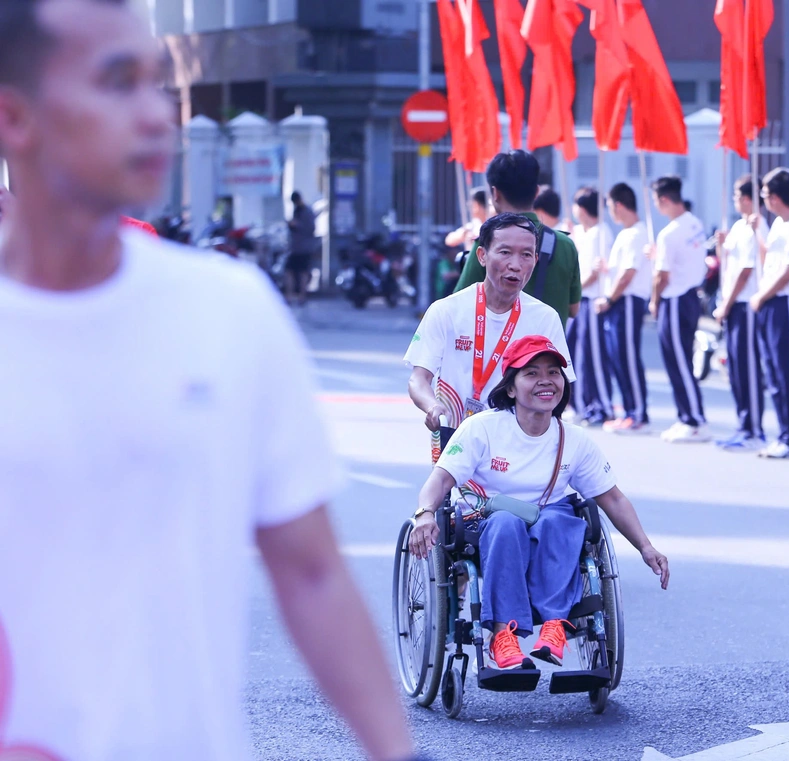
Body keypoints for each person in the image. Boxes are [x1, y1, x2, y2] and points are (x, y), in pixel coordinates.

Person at [0, 2, 420, 760]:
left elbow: (314, 571)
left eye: (159, 85)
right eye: (117, 82)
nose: (157, 115)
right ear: (15, 117)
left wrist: (399, 751)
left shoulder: (230, 309)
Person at [408, 335, 669, 669]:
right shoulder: (481, 429)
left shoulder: (573, 440)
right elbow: (441, 479)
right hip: (490, 518)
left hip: (550, 517)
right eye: (531, 373)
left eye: (554, 372)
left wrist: (646, 547)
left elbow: (613, 498)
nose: (546, 380)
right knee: (506, 524)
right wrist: (425, 513)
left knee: (560, 520)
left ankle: (555, 627)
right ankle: (503, 635)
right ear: (512, 388)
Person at [406, 213, 574, 471]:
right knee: (454, 508)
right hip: (455, 439)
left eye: (526, 255)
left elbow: (559, 387)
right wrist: (433, 407)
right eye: (505, 252)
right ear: (482, 256)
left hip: (518, 443)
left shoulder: (545, 318)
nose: (515, 265)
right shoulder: (447, 311)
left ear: (536, 260)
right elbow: (418, 379)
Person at [453, 151, 581, 328]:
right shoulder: (566, 245)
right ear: (536, 192)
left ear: (495, 193)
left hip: (497, 354)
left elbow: (459, 306)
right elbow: (574, 309)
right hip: (551, 353)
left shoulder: (489, 242)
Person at [751, 168, 789, 459]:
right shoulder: (778, 224)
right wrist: (758, 235)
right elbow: (771, 261)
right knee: (774, 373)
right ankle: (784, 434)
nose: (763, 200)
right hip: (771, 302)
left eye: (764, 194)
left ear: (775, 196)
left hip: (787, 301)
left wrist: (762, 295)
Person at [649, 176, 710, 443]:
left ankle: (694, 419)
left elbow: (661, 275)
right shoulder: (693, 223)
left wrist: (654, 300)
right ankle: (686, 416)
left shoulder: (670, 232)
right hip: (690, 297)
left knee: (679, 361)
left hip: (674, 299)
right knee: (679, 359)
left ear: (663, 199)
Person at [713, 175, 770, 452]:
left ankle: (755, 429)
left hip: (745, 304)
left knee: (747, 368)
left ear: (748, 197)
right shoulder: (737, 227)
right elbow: (728, 264)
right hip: (732, 304)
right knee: (735, 369)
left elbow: (748, 271)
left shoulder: (756, 227)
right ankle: (743, 424)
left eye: (737, 195)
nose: (735, 200)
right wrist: (720, 245)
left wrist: (727, 304)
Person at [596, 183, 651, 434]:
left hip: (627, 301)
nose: (610, 212)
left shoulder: (637, 233)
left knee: (627, 358)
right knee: (618, 358)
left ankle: (638, 413)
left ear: (618, 205)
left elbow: (628, 273)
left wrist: (609, 298)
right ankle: (630, 411)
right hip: (619, 302)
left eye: (609, 206)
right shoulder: (626, 233)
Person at [567, 186, 616, 426]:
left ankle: (604, 405)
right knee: (578, 354)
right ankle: (584, 403)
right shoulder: (581, 232)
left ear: (583, 208)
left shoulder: (601, 232)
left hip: (592, 298)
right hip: (581, 299)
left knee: (595, 356)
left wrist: (574, 290)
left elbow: (596, 272)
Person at [286, 190, 316, 306]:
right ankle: (290, 295)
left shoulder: (307, 211)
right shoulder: (297, 211)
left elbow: (310, 228)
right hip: (295, 247)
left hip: (304, 247)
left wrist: (297, 225)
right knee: (290, 271)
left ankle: (302, 296)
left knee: (303, 272)